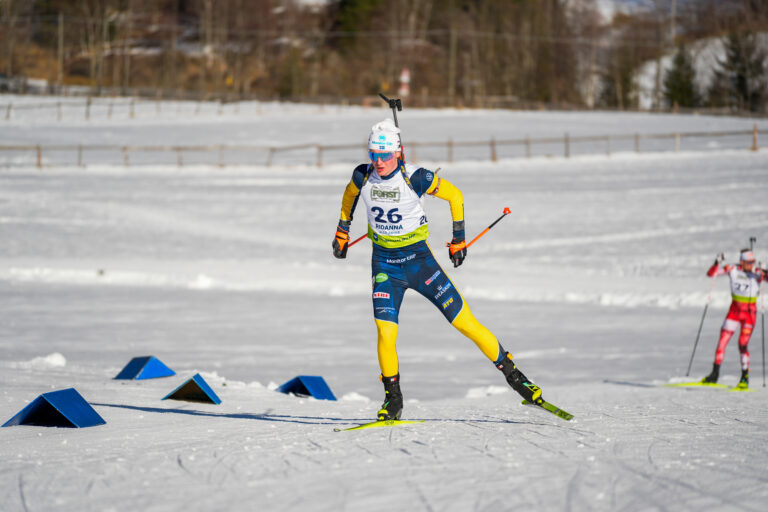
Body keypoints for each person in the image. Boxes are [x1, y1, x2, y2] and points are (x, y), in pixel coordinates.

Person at [331, 118, 543, 421]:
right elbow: (349, 195)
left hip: (420, 264)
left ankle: (515, 376)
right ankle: (393, 400)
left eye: (385, 155)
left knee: (464, 322)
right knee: (384, 331)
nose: (378, 162)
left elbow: (454, 195)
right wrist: (342, 231)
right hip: (384, 266)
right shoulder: (362, 175)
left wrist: (459, 239)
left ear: (398, 153)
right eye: (373, 154)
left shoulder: (415, 178)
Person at [701, 249, 766, 388]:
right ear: (742, 261)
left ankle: (744, 377)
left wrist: (766, 271)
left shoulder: (757, 272)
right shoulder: (732, 268)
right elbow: (711, 274)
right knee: (722, 341)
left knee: (742, 344)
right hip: (734, 312)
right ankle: (715, 373)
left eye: (752, 262)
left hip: (749, 314)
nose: (751, 265)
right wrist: (716, 263)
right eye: (748, 262)